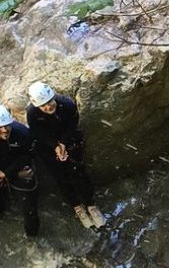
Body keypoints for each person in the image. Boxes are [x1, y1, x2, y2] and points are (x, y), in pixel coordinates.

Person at [25, 81, 104, 230]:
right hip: (47, 147)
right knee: (61, 177)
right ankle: (76, 205)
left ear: (53, 97)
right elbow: (38, 133)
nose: (48, 107)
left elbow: (72, 124)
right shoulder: (33, 113)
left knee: (79, 173)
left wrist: (62, 143)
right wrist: (54, 146)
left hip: (69, 141)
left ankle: (90, 204)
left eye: (49, 102)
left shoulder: (67, 105)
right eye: (43, 106)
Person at [0, 104, 40, 237]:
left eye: (7, 125)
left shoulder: (22, 133)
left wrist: (8, 173)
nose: (5, 130)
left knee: (29, 208)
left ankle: (32, 234)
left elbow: (29, 155)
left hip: (19, 169)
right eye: (0, 127)